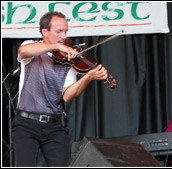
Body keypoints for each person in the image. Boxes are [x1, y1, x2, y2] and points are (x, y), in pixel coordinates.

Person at [11, 11, 108, 167]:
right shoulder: (30, 45)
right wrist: (56, 46)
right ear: (44, 32)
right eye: (59, 32)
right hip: (26, 124)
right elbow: (23, 51)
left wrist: (88, 77)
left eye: (65, 31)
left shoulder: (68, 63)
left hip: (54, 126)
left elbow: (68, 95)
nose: (64, 36)